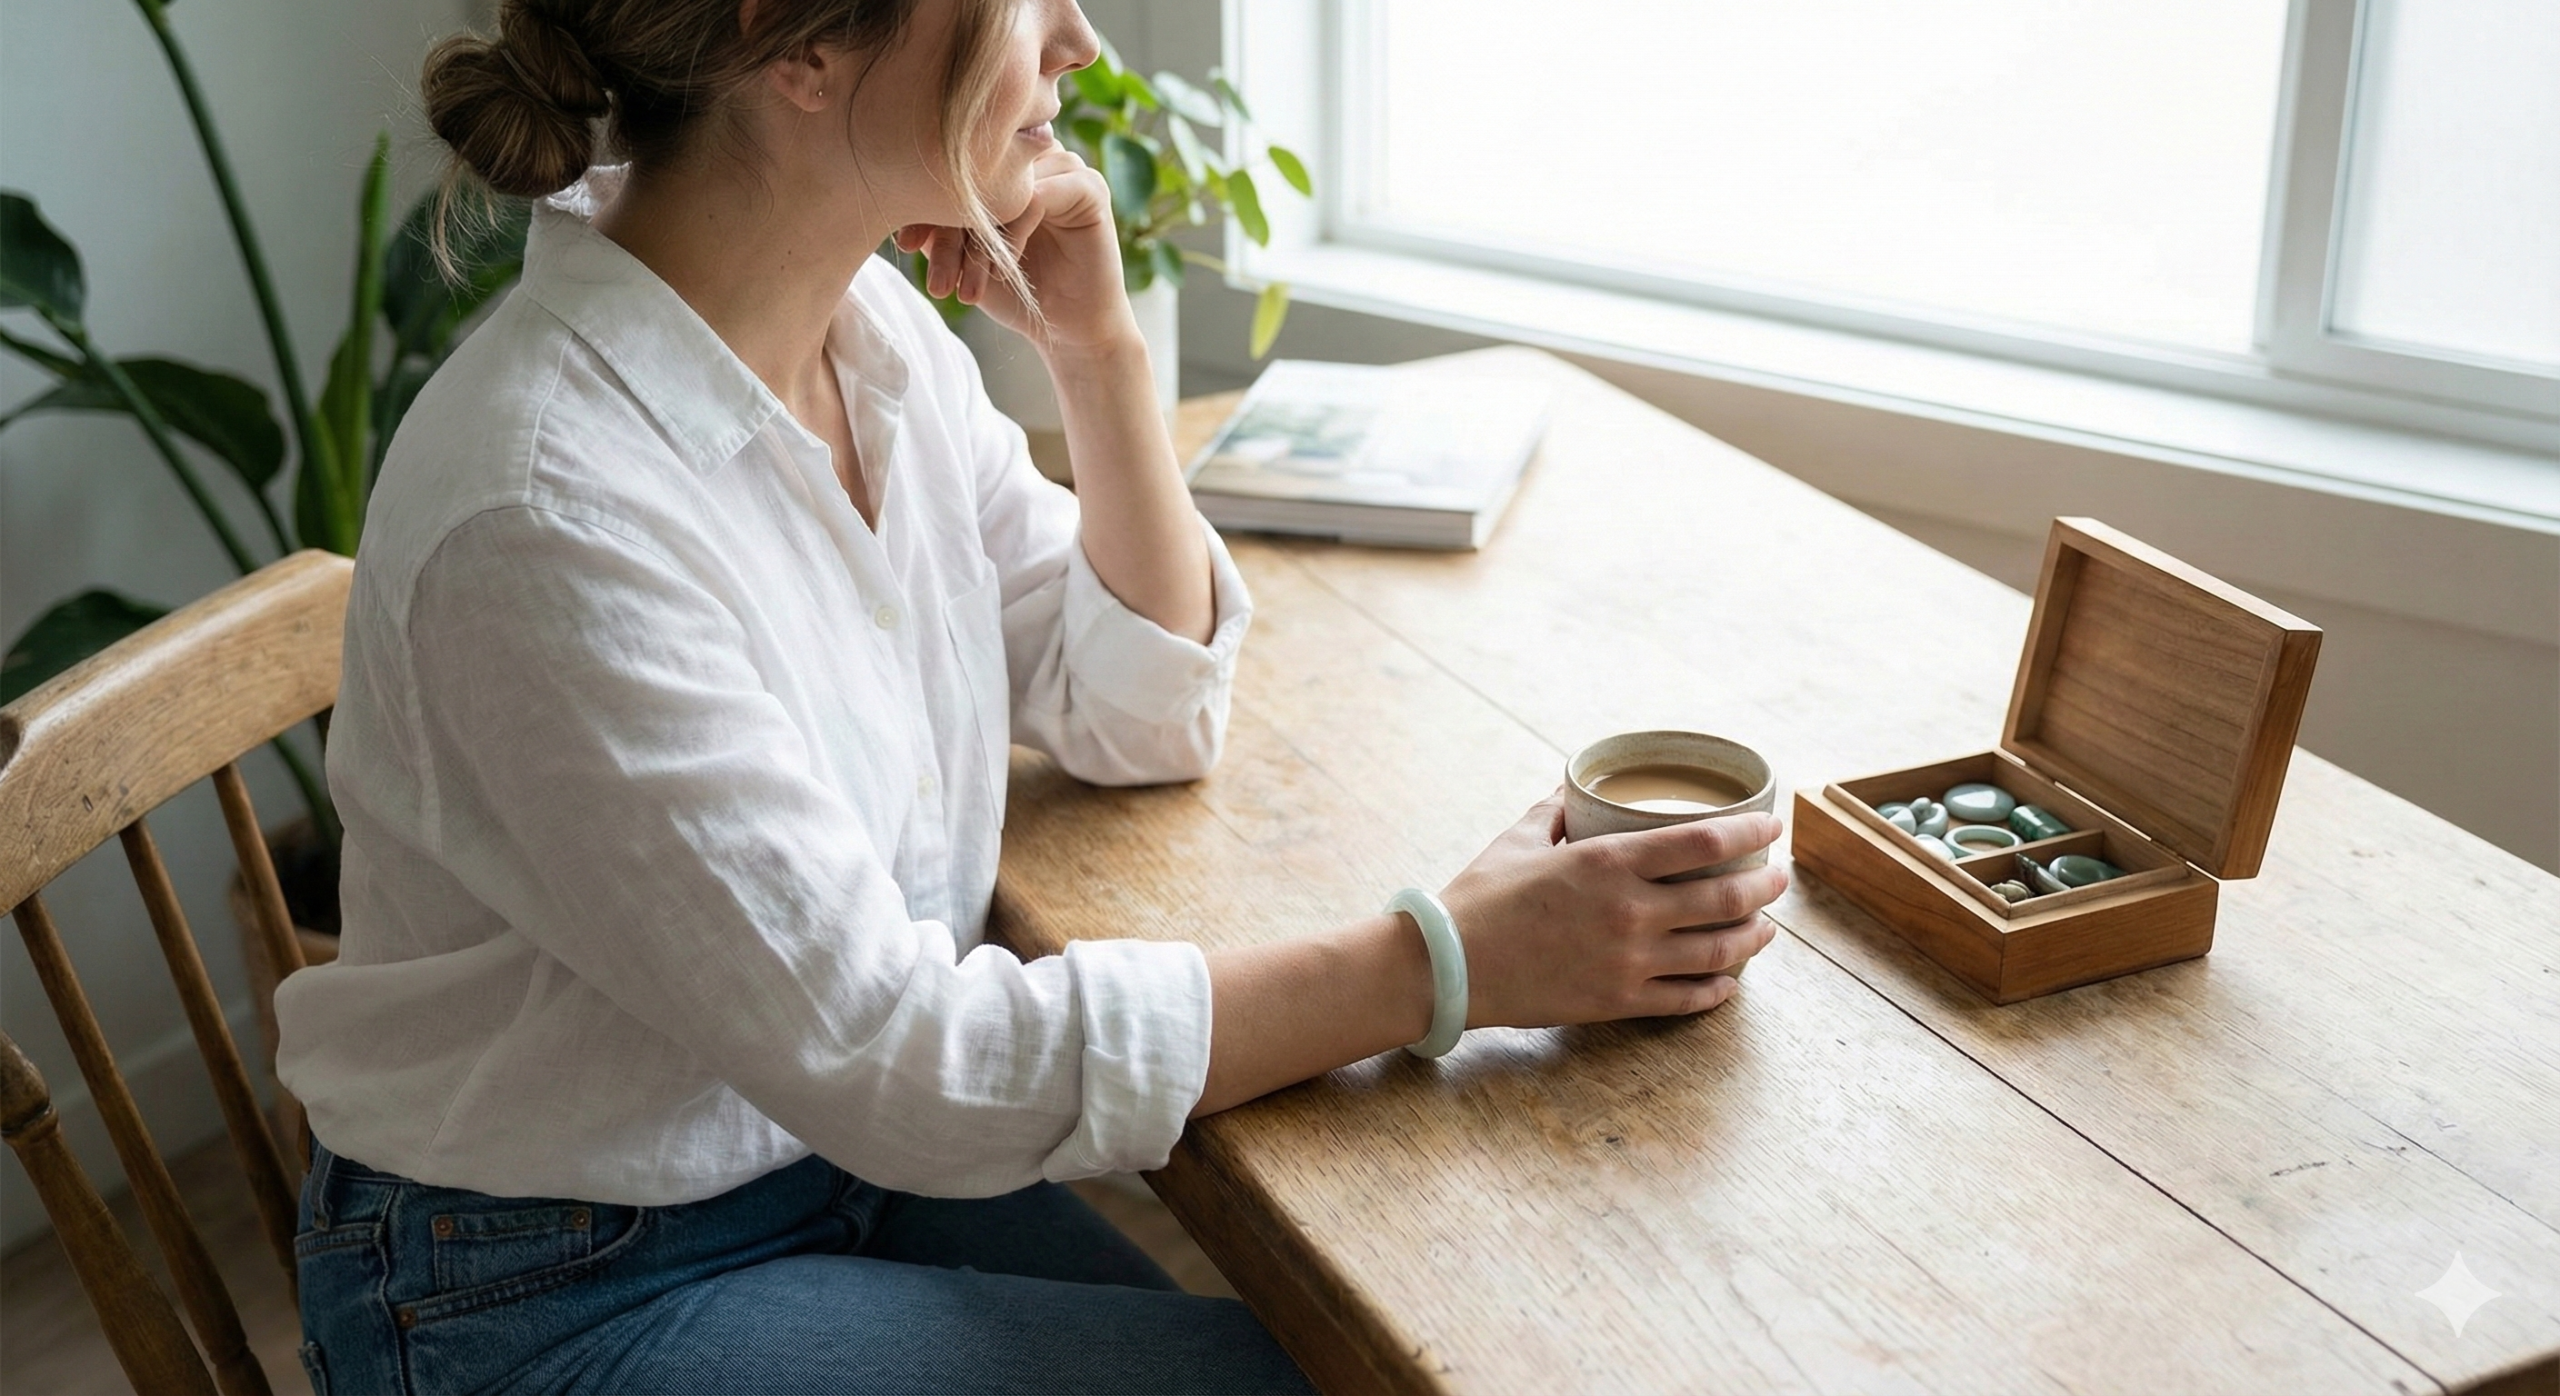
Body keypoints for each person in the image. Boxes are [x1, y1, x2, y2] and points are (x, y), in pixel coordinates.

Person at [272, 0, 1790, 1391]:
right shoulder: (550, 513)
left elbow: (1133, 711)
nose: (1075, 37)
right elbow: (912, 1064)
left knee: (1366, 1345)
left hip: (822, 1167)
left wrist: (1098, 351)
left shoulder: (868, 347)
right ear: (795, 46)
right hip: (542, 1293)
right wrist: (1446, 963)